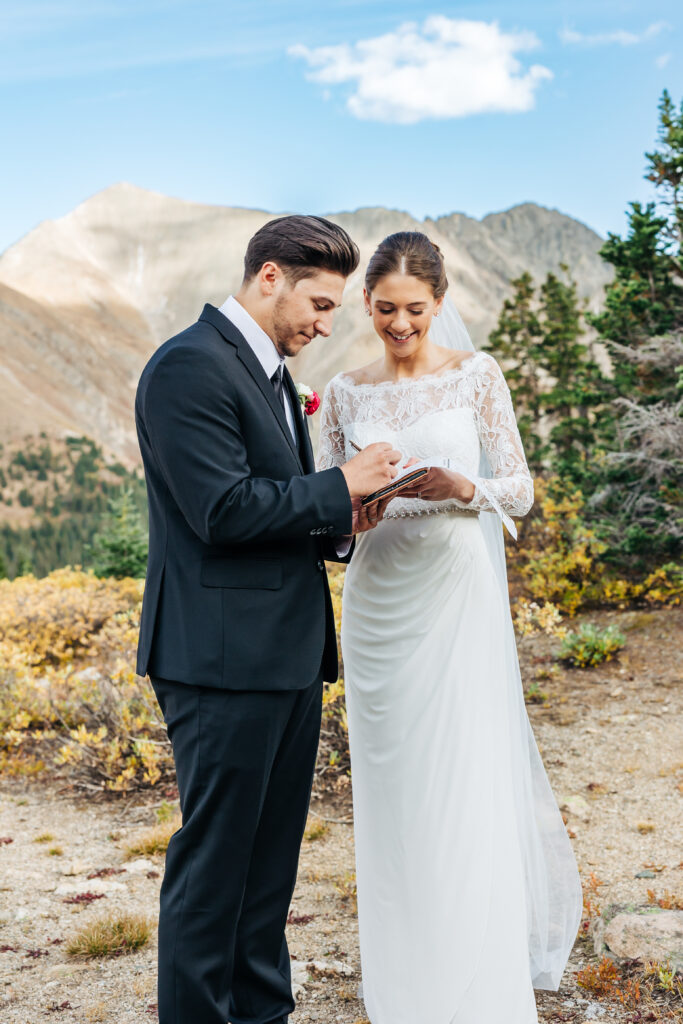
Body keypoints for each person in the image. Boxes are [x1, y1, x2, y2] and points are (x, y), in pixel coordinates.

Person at [134, 214, 402, 1024]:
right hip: (218, 663)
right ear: (269, 278)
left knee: (266, 871)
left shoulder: (273, 377)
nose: (326, 325)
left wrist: (338, 522)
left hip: (281, 658)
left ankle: (261, 1015)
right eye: (319, 305)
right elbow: (217, 509)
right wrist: (340, 483)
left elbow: (269, 505)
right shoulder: (188, 367)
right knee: (216, 871)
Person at [317, 231, 583, 1024]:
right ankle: (407, 981)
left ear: (440, 305)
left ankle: (476, 982)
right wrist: (355, 511)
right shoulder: (342, 394)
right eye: (387, 310)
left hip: (455, 589)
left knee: (462, 777)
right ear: (367, 303)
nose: (400, 325)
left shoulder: (476, 375)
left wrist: (464, 484)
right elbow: (328, 512)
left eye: (416, 311)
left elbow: (521, 489)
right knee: (395, 789)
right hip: (378, 602)